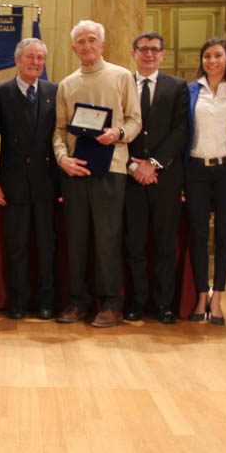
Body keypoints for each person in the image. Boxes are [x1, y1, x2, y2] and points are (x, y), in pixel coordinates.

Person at [53, 19, 142, 327]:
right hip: (75, 170)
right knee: (76, 239)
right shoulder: (67, 84)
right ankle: (78, 301)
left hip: (111, 169)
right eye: (81, 41)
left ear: (102, 45)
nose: (87, 45)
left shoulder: (121, 76)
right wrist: (62, 158)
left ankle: (111, 304)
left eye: (92, 39)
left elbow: (135, 121)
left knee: (107, 238)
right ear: (74, 48)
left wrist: (118, 133)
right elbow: (59, 131)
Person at [120, 31, 189, 325]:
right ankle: (137, 303)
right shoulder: (122, 84)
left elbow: (180, 131)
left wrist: (153, 164)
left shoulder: (177, 86)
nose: (149, 54)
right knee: (134, 244)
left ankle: (163, 305)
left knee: (164, 244)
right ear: (134, 53)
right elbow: (115, 127)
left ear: (162, 54)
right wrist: (133, 167)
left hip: (165, 179)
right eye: (143, 49)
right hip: (130, 178)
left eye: (155, 50)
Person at [0, 38, 59, 320]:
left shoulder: (55, 91)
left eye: (40, 58)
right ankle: (17, 302)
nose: (35, 62)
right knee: (16, 247)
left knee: (46, 247)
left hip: (46, 182)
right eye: (30, 57)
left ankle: (46, 303)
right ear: (18, 60)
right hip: (13, 182)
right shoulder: (0, 93)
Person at [184, 37, 226, 325]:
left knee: (223, 234)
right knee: (198, 234)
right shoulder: (190, 91)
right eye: (207, 56)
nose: (212, 61)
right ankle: (201, 295)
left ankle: (217, 296)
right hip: (196, 169)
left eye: (218, 55)